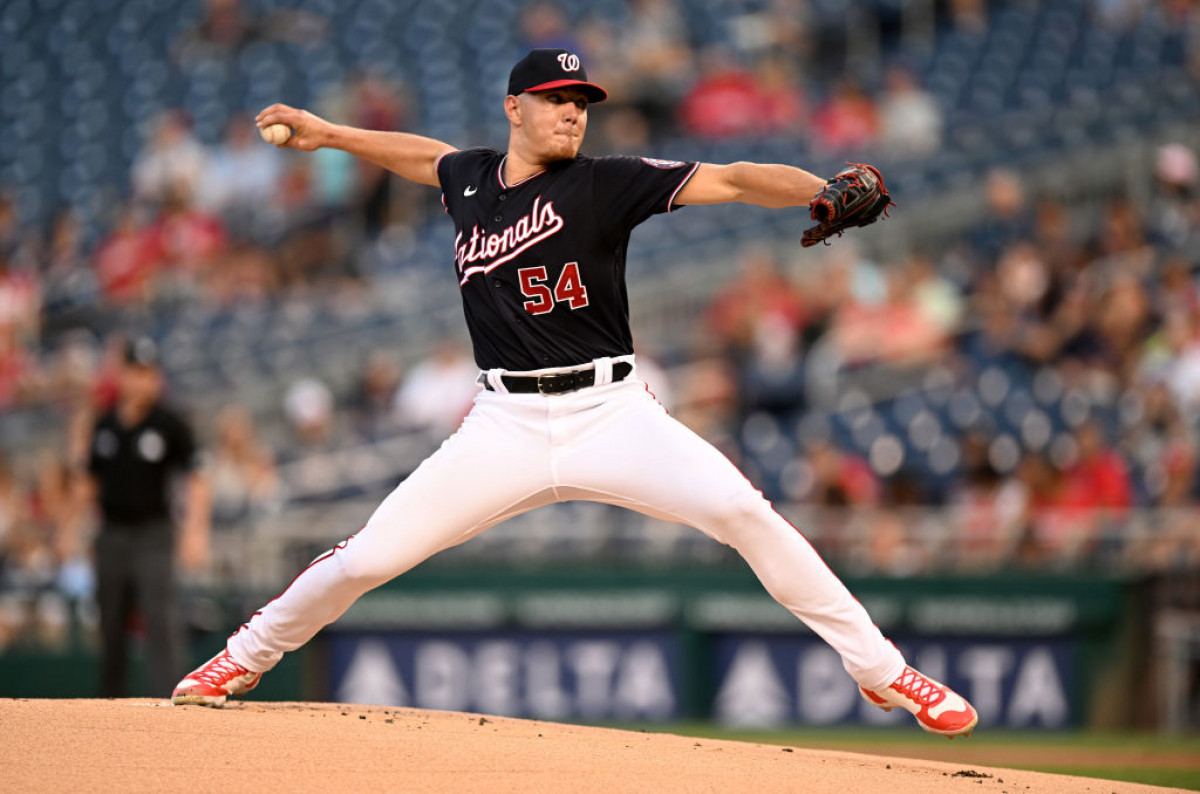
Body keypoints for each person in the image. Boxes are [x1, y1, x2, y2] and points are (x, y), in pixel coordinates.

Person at [173, 49, 978, 738]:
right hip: (503, 423)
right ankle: (243, 657)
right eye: (557, 100)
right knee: (372, 555)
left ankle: (884, 672)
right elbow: (423, 158)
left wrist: (817, 190)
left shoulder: (606, 185)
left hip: (613, 413)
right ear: (514, 108)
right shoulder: (468, 181)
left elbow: (732, 179)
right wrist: (331, 133)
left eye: (582, 102)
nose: (573, 113)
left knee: (744, 514)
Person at [80, 336, 211, 697]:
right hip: (111, 534)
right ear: (122, 375)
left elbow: (197, 478)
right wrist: (72, 531)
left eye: (149, 372)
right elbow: (89, 480)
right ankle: (109, 702)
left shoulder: (169, 423)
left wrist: (195, 532)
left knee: (160, 619)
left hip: (153, 534)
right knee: (110, 621)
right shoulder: (104, 424)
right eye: (136, 372)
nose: (143, 380)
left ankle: (168, 699)